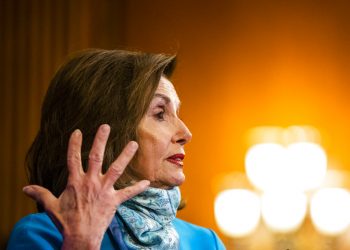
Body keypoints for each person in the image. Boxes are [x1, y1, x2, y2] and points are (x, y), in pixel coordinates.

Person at [7, 49, 225, 249]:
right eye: (160, 114)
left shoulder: (206, 242)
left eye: (177, 113)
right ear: (109, 130)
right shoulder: (41, 235)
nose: (186, 134)